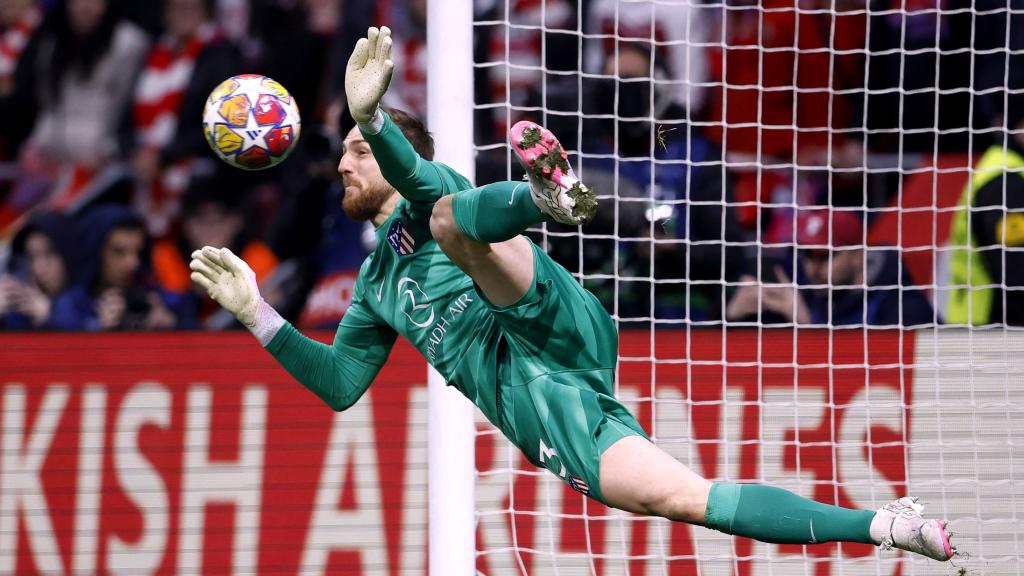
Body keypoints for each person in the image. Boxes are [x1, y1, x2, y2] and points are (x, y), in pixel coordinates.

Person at [189, 26, 956, 562]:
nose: (346, 165)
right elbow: (340, 386)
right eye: (350, 153)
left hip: (546, 316)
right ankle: (889, 525)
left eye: (361, 152)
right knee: (686, 499)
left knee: (452, 218)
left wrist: (373, 118)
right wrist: (258, 312)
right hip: (539, 396)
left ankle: (548, 198)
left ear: (395, 153)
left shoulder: (433, 188)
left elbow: (426, 191)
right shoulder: (374, 287)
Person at [727, 209, 935, 327]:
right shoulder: (803, 288)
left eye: (826, 256)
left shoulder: (902, 306)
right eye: (808, 255)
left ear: (857, 255)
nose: (814, 268)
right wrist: (731, 316)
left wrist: (807, 324)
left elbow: (871, 378)